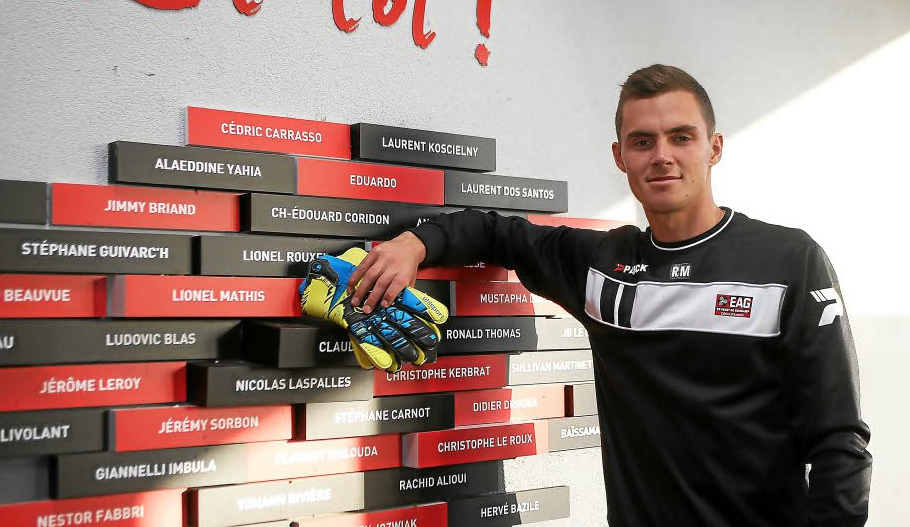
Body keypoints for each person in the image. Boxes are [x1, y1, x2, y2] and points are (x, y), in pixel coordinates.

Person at [344, 65, 872, 526]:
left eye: (681, 137)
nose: (662, 156)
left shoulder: (789, 261)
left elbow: (839, 441)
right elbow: (496, 232)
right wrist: (414, 244)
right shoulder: (603, 264)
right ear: (620, 157)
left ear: (714, 148)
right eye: (642, 142)